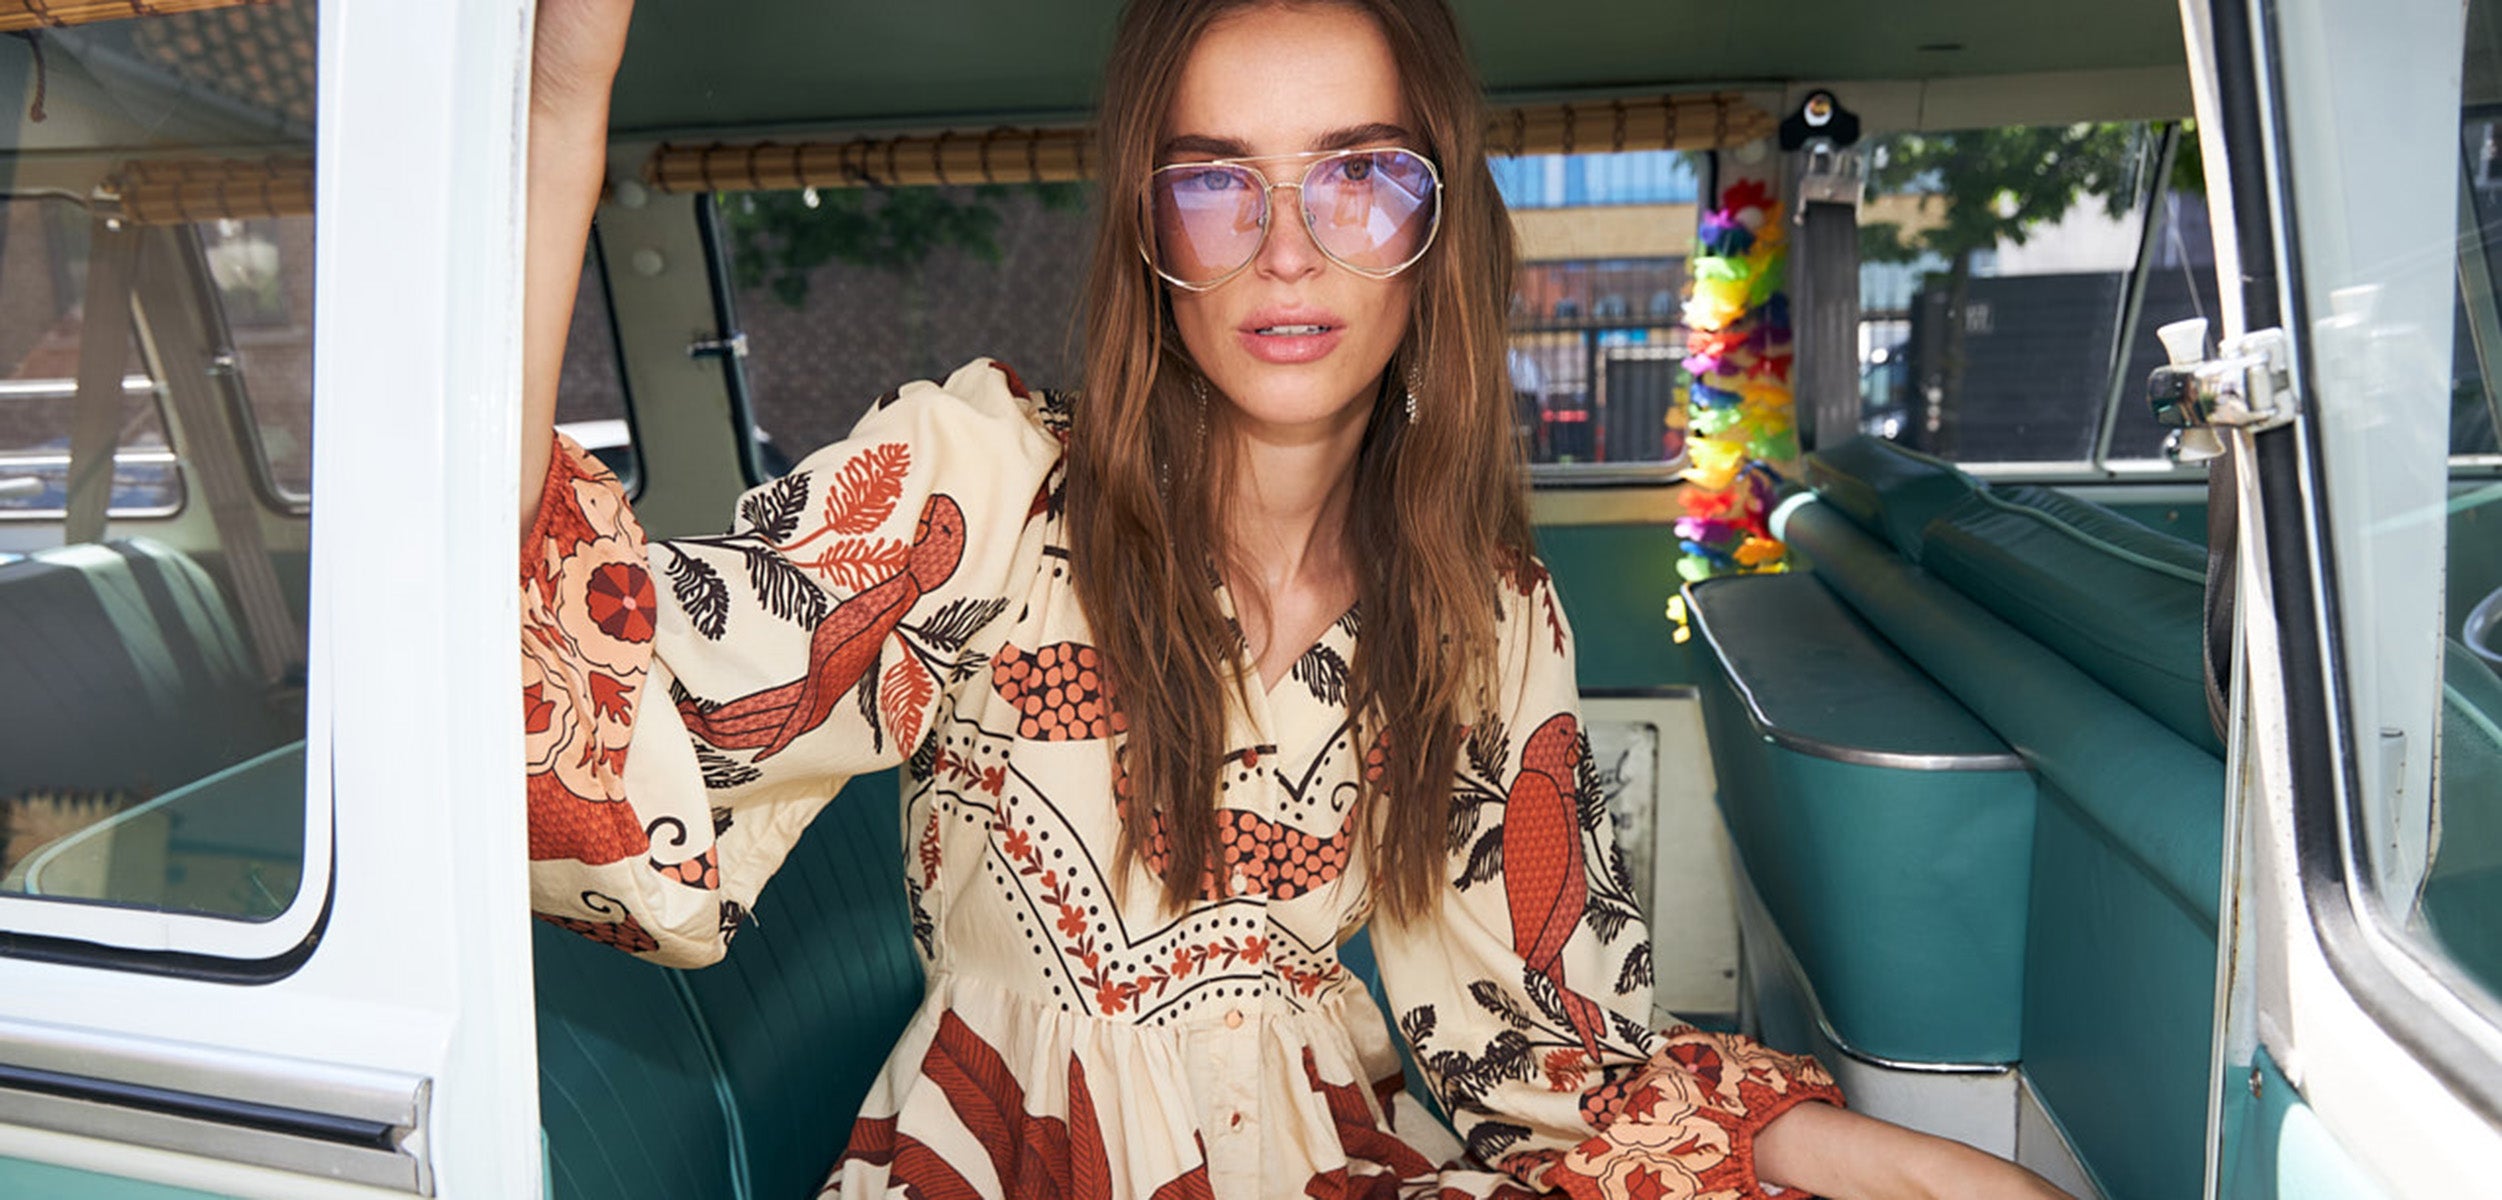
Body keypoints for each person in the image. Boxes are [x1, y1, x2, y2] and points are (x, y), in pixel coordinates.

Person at [520, 1, 2074, 1196]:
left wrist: (1899, 1161)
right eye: (1218, 188)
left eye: (1357, 180)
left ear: (1433, 228)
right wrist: (557, 112)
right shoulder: (983, 483)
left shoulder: (1483, 605)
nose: (1284, 252)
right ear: (1151, 232)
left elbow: (1540, 1042)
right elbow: (615, 692)